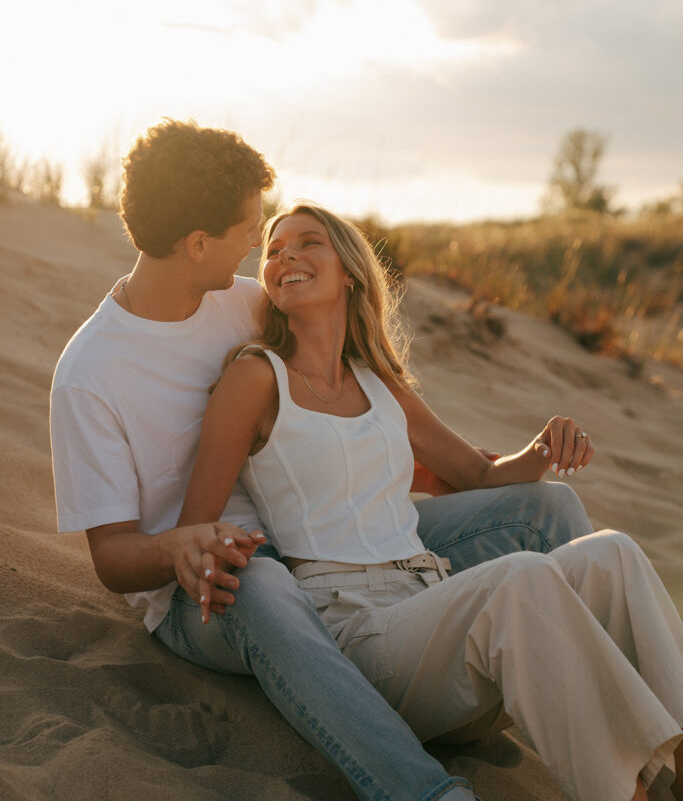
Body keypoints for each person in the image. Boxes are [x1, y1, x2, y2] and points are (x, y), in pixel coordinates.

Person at [51, 119, 596, 801]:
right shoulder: (91, 374)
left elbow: (335, 414)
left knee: (542, 511)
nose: (259, 244)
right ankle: (423, 790)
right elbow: (110, 559)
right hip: (211, 590)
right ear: (196, 244)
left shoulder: (246, 303)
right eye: (249, 228)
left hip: (325, 539)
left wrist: (468, 470)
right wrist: (181, 546)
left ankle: (628, 732)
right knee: (261, 580)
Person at [179, 202, 683, 801]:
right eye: (274, 247)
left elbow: (473, 471)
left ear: (349, 272)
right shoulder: (256, 376)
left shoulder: (377, 380)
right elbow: (194, 525)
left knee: (613, 554)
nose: (284, 254)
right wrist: (204, 555)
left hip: (431, 610)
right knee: (520, 579)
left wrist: (543, 450)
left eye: (307, 242)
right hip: (353, 636)